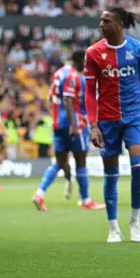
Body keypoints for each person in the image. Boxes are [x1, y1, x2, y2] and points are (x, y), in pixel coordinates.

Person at [85, 7, 140, 243]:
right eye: (101, 20)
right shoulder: (93, 53)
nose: (101, 24)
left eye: (106, 20)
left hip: (135, 118)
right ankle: (113, 228)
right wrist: (93, 125)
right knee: (111, 174)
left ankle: (135, 222)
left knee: (139, 167)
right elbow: (89, 92)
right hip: (106, 121)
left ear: (119, 24)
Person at [32, 50, 105, 212]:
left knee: (59, 162)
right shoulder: (72, 76)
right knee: (81, 161)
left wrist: (57, 117)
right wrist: (73, 123)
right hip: (74, 123)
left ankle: (39, 194)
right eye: (84, 62)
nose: (85, 66)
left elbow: (51, 98)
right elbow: (67, 99)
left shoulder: (58, 74)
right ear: (79, 60)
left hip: (58, 123)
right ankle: (86, 200)